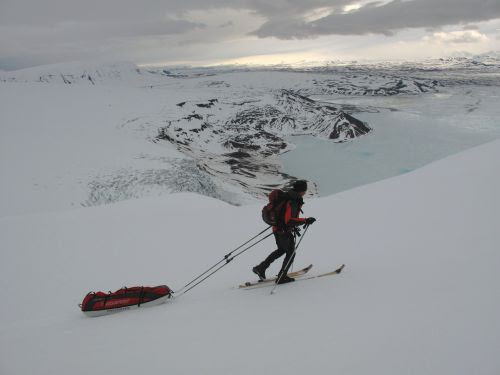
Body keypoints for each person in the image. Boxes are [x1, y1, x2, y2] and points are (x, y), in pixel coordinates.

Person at [252, 180, 316, 284]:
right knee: (291, 253)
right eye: (305, 189)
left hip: (277, 228)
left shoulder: (288, 196)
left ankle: (261, 268)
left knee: (281, 250)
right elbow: (289, 220)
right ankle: (282, 276)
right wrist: (305, 220)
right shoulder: (293, 201)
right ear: (302, 190)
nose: (305, 191)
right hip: (284, 231)